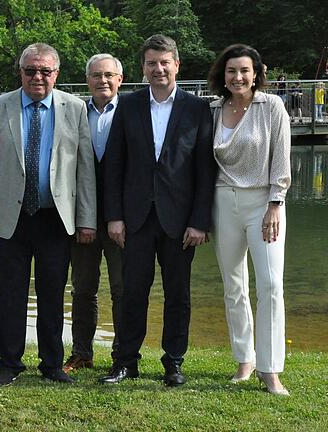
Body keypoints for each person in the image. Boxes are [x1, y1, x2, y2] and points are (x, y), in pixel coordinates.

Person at [100, 34, 216, 386]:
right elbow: (114, 165)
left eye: (164, 62)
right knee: (132, 291)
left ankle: (173, 362)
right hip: (134, 218)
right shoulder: (129, 105)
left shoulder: (197, 109)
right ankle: (125, 362)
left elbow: (204, 170)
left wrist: (199, 221)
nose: (158, 69)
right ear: (143, 68)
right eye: (152, 63)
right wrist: (114, 216)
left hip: (180, 221)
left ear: (176, 65)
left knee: (178, 294)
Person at [0, 43, 97, 386]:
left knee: (53, 292)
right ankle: (10, 363)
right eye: (30, 70)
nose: (37, 77)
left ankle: (51, 363)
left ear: (56, 74)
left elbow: (85, 168)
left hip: (55, 217)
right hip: (11, 217)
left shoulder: (74, 108)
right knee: (11, 293)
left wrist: (86, 218)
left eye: (45, 71)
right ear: (20, 72)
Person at [206, 44, 291, 395]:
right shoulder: (212, 110)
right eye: (231, 71)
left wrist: (275, 202)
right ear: (222, 76)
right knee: (233, 285)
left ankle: (271, 370)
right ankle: (245, 359)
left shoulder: (272, 107)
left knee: (270, 285)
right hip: (223, 202)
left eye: (244, 70)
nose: (237, 77)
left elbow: (281, 160)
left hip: (264, 204)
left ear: (257, 73)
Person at [63, 54, 124, 373]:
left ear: (120, 80)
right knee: (83, 288)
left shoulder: (132, 112)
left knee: (122, 289)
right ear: (87, 80)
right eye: (96, 75)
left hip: (122, 220)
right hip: (81, 217)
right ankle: (82, 352)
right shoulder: (73, 113)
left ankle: (122, 355)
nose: (103, 80)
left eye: (109, 75)